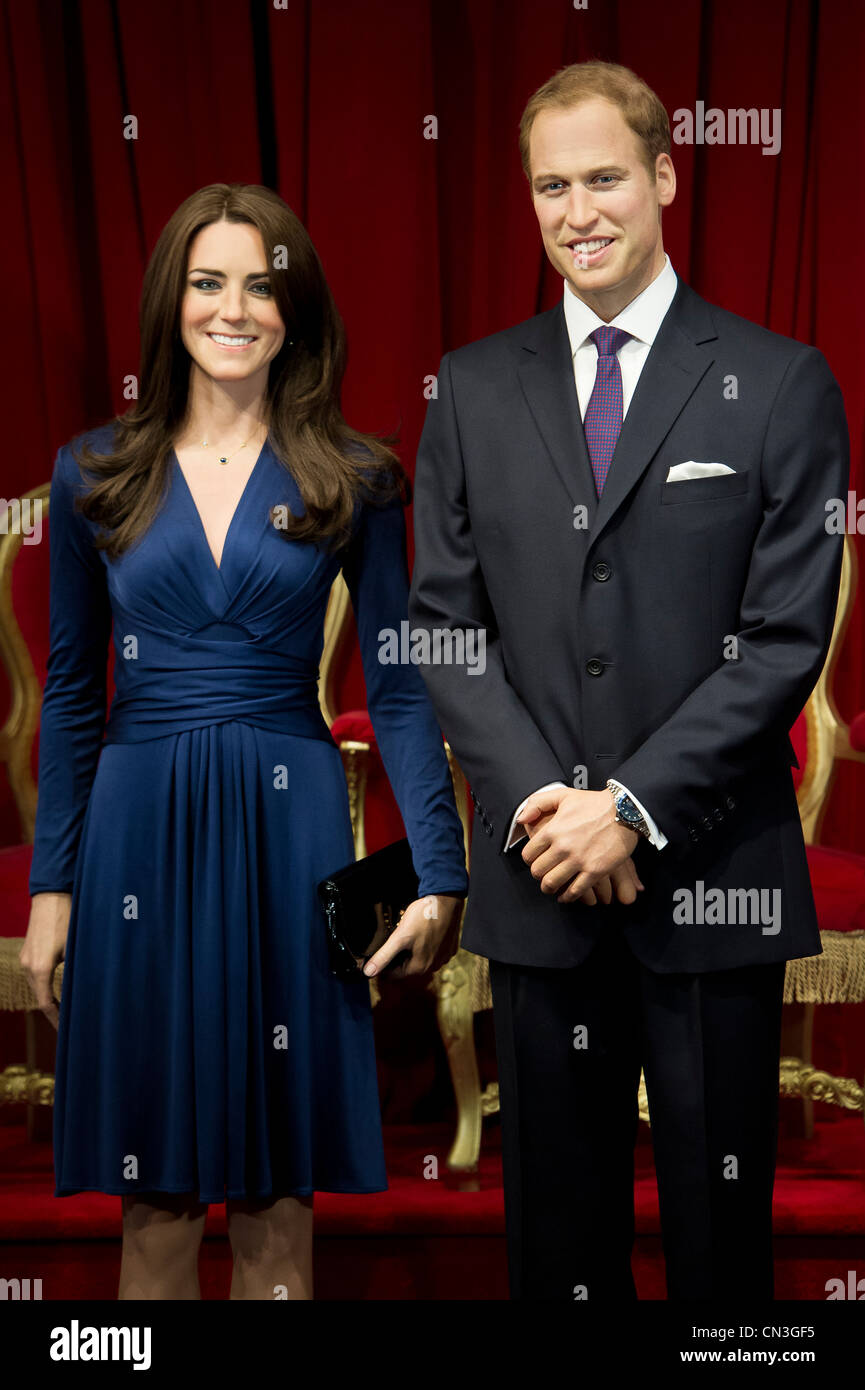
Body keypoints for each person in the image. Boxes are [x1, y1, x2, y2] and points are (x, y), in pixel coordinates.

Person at [408, 60, 849, 1300]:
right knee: (558, 1245)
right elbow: (445, 627)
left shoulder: (777, 381)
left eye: (604, 177)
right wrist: (551, 808)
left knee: (722, 1257)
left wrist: (632, 807)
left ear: (663, 177)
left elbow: (779, 639)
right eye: (551, 185)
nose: (577, 210)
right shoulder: (473, 389)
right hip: (541, 870)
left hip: (710, 869)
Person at [20, 182, 468, 1301]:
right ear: (171, 301)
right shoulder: (95, 474)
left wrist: (437, 873)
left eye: (260, 285)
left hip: (292, 827)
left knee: (278, 1196)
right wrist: (52, 887)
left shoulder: (356, 476)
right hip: (136, 834)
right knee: (153, 1193)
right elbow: (75, 694)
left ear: (293, 306)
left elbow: (402, 686)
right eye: (207, 282)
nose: (233, 308)